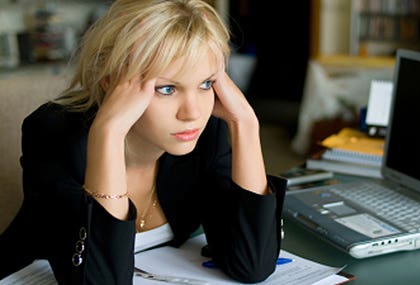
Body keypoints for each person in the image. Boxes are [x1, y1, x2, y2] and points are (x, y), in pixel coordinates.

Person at [0, 0, 286, 284]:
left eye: (206, 84)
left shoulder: (206, 132)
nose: (193, 113)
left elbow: (253, 264)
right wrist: (108, 132)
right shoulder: (54, 133)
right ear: (112, 83)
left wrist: (245, 123)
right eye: (167, 88)